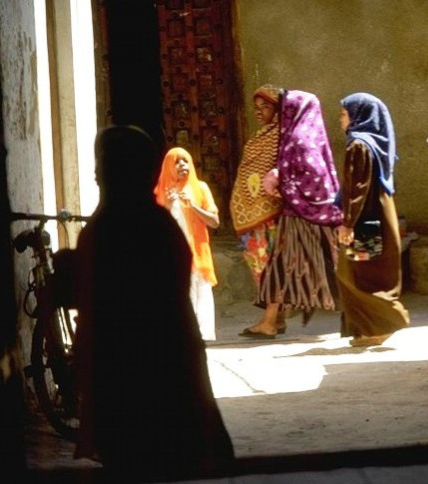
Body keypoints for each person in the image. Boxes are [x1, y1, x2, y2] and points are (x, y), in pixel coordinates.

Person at [73, 125, 234, 480]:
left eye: (103, 164)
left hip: (130, 369)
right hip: (166, 361)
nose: (96, 174)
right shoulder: (155, 223)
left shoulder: (113, 227)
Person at [239, 89, 342, 339]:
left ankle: (371, 315)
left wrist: (281, 185)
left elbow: (313, 180)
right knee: (286, 269)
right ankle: (271, 321)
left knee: (300, 269)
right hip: (303, 216)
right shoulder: (307, 135)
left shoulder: (298, 139)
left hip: (302, 220)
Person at [336, 92, 410, 347]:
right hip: (376, 216)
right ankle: (370, 330)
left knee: (354, 274)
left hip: (365, 220)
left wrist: (348, 223)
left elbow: (356, 189)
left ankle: (389, 319)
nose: (340, 120)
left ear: (359, 115)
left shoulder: (359, 145)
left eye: (344, 114)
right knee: (369, 272)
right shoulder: (375, 144)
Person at [229, 84, 290, 334]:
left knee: (268, 266)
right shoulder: (260, 136)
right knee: (261, 265)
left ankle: (269, 321)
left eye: (266, 106)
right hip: (252, 214)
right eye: (256, 108)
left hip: (269, 214)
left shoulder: (281, 137)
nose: (259, 112)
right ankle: (278, 318)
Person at [154, 146, 220, 341]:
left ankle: (205, 337)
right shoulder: (160, 192)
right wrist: (166, 204)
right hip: (173, 256)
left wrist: (193, 206)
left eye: (185, 161)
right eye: (177, 162)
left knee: (203, 294)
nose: (183, 165)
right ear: (167, 167)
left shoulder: (201, 188)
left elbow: (215, 222)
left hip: (198, 254)